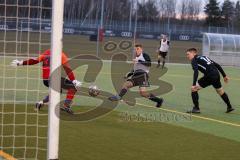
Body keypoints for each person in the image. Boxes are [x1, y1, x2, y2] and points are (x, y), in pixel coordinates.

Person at [11, 49, 82, 114]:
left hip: (45, 80)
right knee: (73, 87)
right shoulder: (61, 54)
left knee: (57, 91)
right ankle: (66, 106)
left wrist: (21, 63)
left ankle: (41, 103)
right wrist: (73, 80)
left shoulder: (47, 52)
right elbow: (67, 69)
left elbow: (34, 61)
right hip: (53, 78)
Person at [108, 44, 164, 108]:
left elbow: (149, 64)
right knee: (126, 84)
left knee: (143, 93)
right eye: (135, 49)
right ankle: (118, 97)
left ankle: (159, 100)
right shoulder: (136, 58)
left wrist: (138, 61)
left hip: (143, 75)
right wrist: (129, 74)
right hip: (136, 75)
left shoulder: (144, 55)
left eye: (138, 49)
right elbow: (135, 69)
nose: (136, 50)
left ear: (141, 49)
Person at [186, 48, 234, 113]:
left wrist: (194, 84)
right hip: (216, 75)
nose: (187, 56)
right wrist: (224, 76)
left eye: (188, 54)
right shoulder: (204, 57)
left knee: (193, 89)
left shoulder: (194, 60)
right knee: (220, 91)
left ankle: (196, 108)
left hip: (209, 76)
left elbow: (196, 72)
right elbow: (217, 65)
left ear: (194, 53)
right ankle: (229, 106)